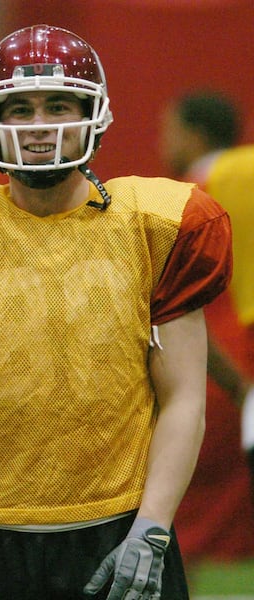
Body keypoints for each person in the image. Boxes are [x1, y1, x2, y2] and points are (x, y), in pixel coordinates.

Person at [0, 25, 232, 600]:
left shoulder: (157, 224)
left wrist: (151, 529)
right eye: (20, 108)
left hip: (122, 523)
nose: (40, 123)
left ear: (93, 112)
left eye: (58, 104)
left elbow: (183, 397)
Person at [160, 91, 254, 565]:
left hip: (221, 359)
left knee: (177, 514)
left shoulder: (192, 196)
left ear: (193, 134)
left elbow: (181, 301)